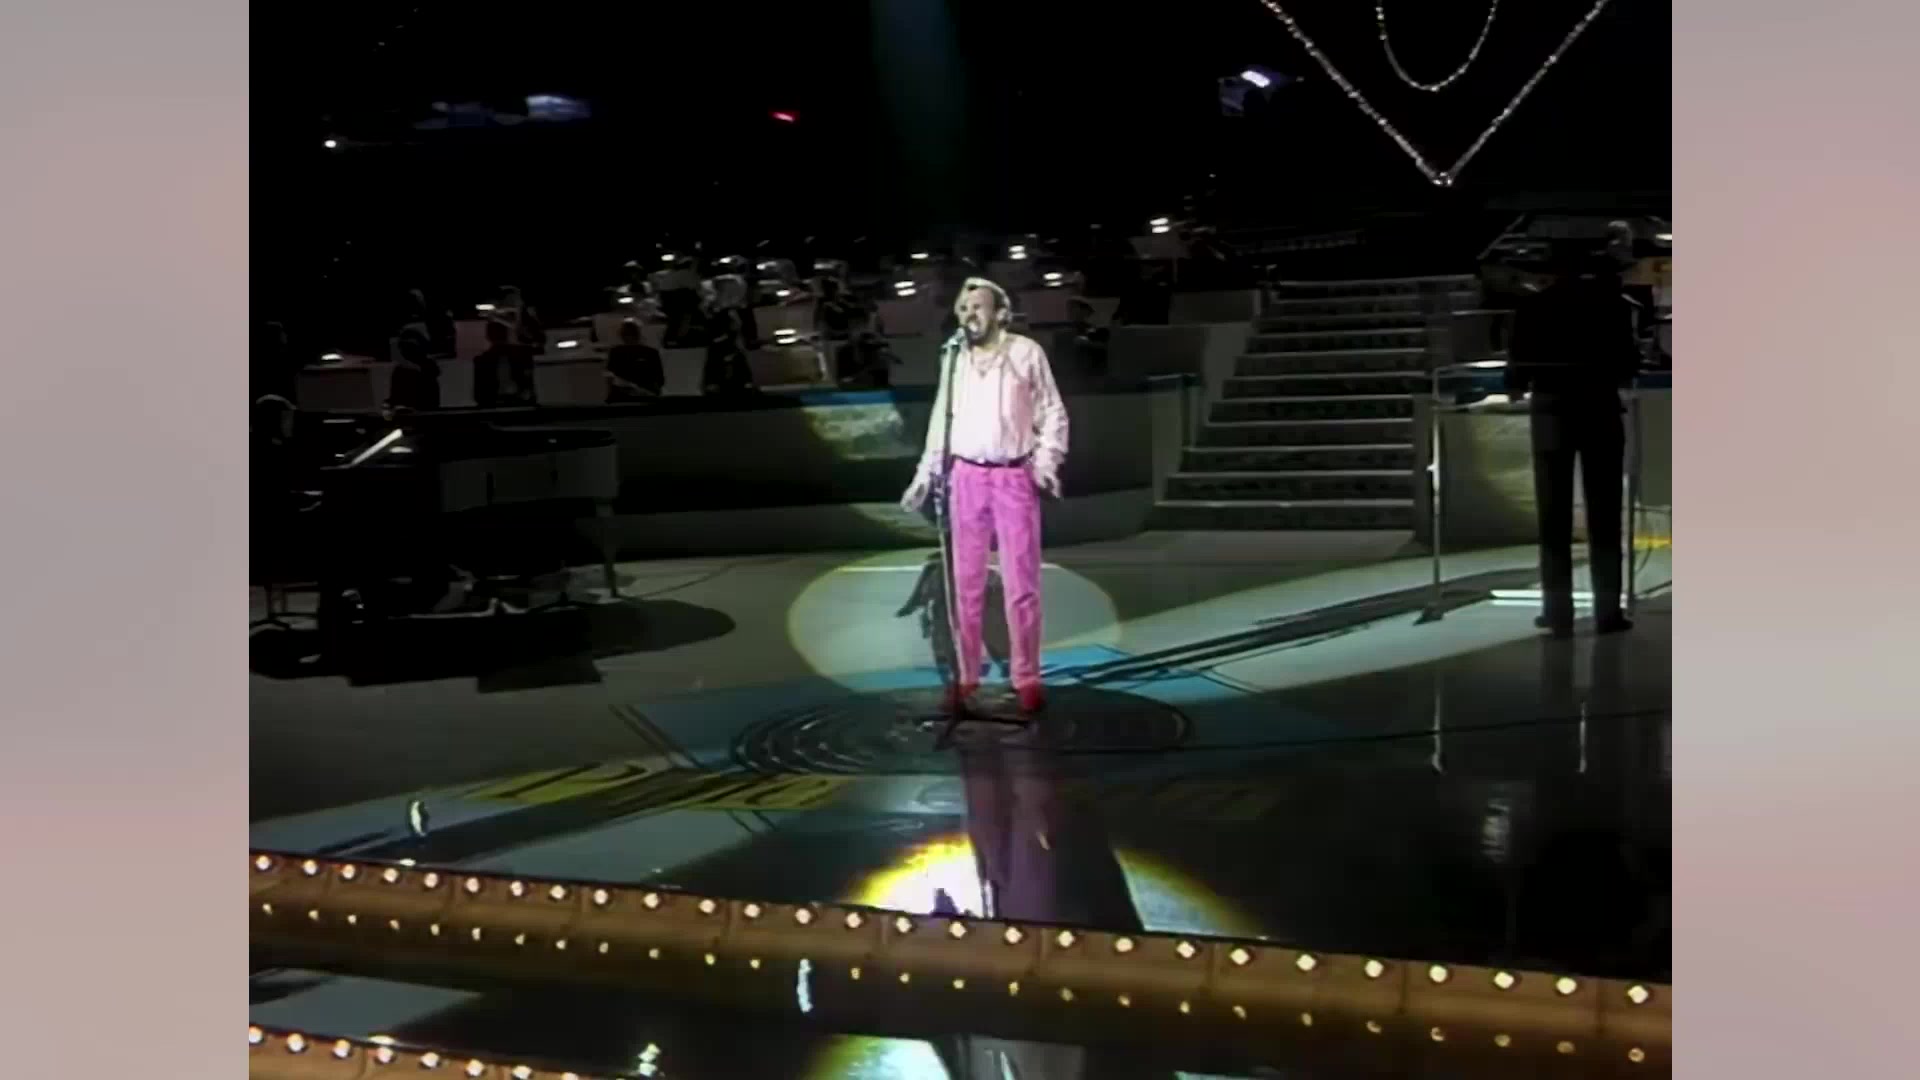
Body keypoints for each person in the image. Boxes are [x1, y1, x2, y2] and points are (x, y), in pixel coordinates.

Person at [900, 277, 1068, 715]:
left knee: (1021, 585)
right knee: (966, 584)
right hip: (966, 478)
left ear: (1000, 313)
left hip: (1013, 476)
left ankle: (1026, 677)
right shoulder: (954, 358)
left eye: (977, 306)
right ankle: (966, 675)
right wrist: (925, 475)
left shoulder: (1026, 353)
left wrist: (1046, 464)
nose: (968, 314)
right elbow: (942, 418)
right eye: (962, 308)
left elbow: (1053, 412)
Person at [1506, 243, 1642, 638]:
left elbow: (1518, 367)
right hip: (1600, 408)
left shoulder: (1533, 306)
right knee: (1605, 515)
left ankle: (1557, 612)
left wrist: (1519, 383)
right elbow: (1628, 363)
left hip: (1551, 410)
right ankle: (1607, 612)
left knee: (1553, 517)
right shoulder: (1613, 305)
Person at [605, 319, 665, 402]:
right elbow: (660, 380)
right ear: (638, 335)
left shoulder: (616, 352)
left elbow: (610, 377)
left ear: (622, 335)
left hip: (623, 396)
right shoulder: (651, 353)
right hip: (645, 396)